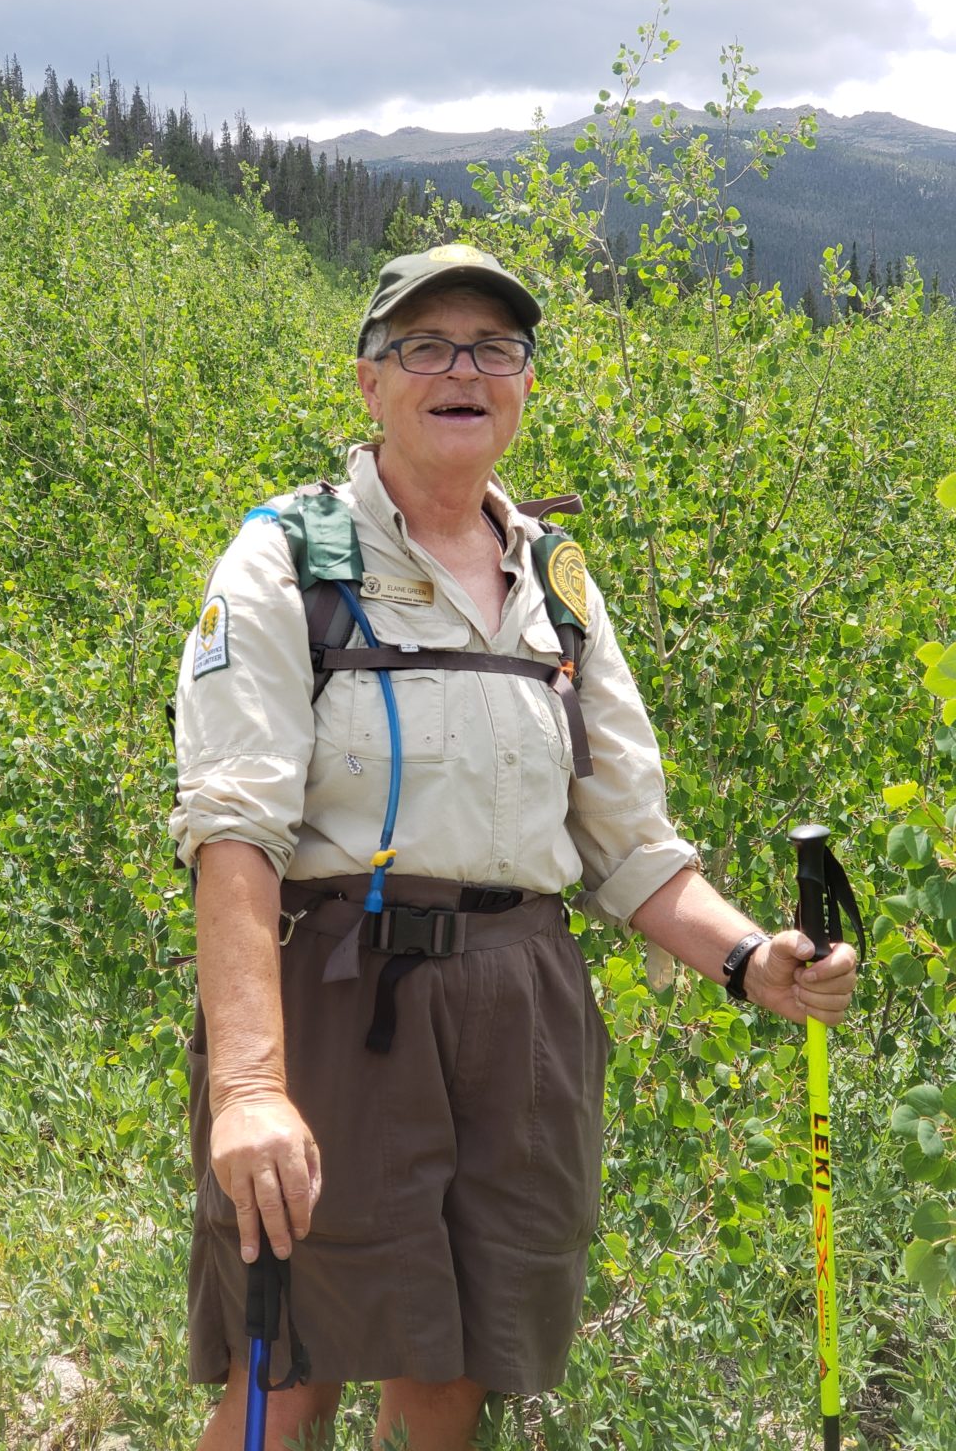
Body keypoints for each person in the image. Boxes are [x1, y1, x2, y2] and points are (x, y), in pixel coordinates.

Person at [168, 243, 858, 1451]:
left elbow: (631, 849)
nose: (463, 371)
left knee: (461, 1364)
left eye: (495, 349)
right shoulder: (288, 559)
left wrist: (755, 961)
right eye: (425, 346)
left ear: (525, 384)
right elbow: (235, 836)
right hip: (337, 1000)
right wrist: (249, 1090)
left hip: (520, 1010)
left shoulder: (557, 587)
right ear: (369, 382)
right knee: (295, 1365)